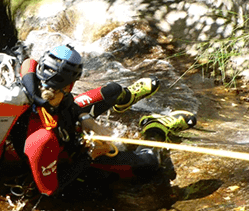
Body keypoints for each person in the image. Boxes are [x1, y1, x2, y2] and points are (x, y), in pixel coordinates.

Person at [14, 44, 162, 196]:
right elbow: (50, 190)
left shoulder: (36, 85)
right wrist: (91, 154)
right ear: (70, 86)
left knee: (113, 91)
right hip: (70, 158)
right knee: (149, 162)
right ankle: (155, 128)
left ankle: (126, 100)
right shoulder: (43, 139)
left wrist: (85, 119)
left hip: (69, 119)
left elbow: (28, 63)